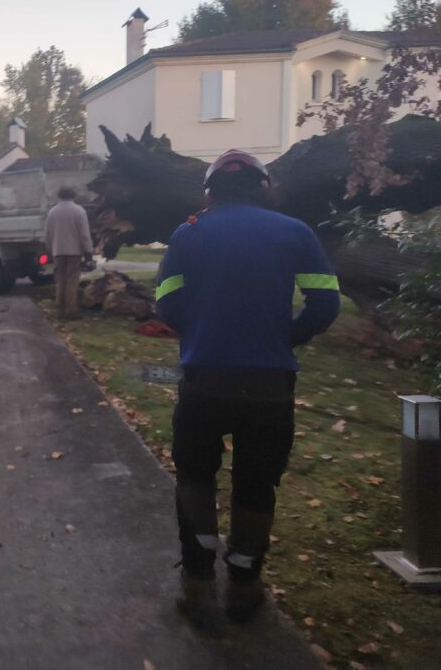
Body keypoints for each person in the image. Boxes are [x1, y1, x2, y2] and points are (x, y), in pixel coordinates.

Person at [155, 149, 340, 627]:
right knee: (257, 482)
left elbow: (166, 302)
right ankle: (244, 584)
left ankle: (197, 584)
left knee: (196, 480)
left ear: (210, 191)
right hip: (269, 387)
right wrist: (288, 335)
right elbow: (325, 302)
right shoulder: (294, 232)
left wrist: (199, 332)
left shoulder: (187, 232)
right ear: (263, 186)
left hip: (202, 383)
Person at [45, 186, 93, 319]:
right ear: (74, 195)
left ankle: (60, 310)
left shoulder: (52, 212)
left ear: (59, 195)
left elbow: (48, 234)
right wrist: (88, 251)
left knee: (60, 281)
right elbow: (84, 235)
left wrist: (50, 250)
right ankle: (70, 311)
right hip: (74, 251)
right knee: (72, 281)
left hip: (57, 251)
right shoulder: (79, 211)